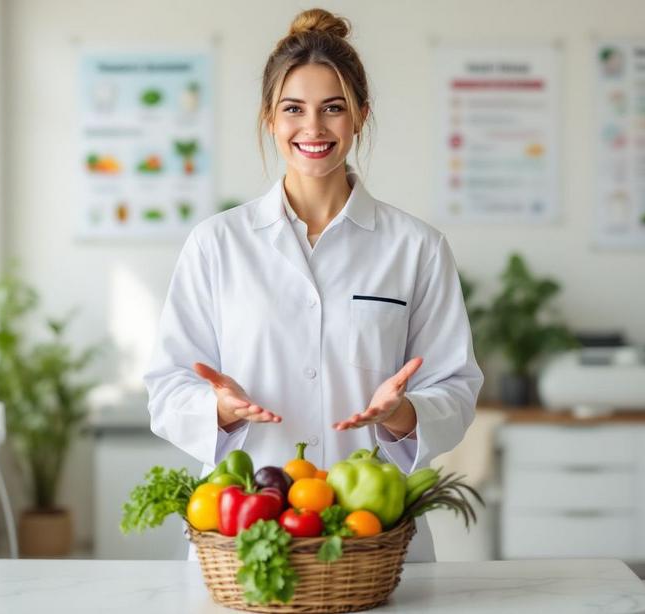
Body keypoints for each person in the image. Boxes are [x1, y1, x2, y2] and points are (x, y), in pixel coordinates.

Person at [145, 8, 483, 562]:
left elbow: (456, 386)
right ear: (269, 119)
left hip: (374, 527)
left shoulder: (416, 246)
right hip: (247, 525)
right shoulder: (217, 243)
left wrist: (402, 415)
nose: (314, 129)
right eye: (293, 109)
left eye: (334, 109)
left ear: (360, 116)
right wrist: (221, 410)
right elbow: (166, 387)